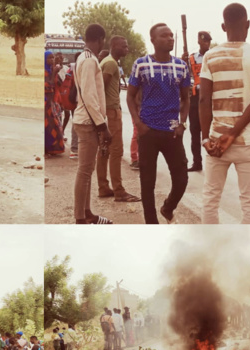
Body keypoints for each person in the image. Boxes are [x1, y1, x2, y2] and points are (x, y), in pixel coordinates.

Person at [199, 3, 250, 224]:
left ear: (223, 26)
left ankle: (210, 250)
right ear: (247, 24)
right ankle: (246, 256)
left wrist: (205, 138)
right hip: (247, 142)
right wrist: (234, 133)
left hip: (215, 143)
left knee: (211, 199)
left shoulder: (210, 57)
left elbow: (203, 100)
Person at [127, 23, 191, 224]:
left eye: (172, 35)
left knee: (181, 179)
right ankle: (151, 223)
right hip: (148, 132)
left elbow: (186, 97)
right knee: (147, 183)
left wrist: (183, 124)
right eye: (164, 36)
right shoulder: (142, 64)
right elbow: (130, 96)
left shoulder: (181, 65)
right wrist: (138, 124)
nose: (170, 38)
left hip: (172, 131)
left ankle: (168, 207)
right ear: (153, 40)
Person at [73, 24, 113, 225]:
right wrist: (102, 126)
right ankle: (81, 218)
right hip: (88, 122)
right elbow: (89, 96)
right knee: (84, 171)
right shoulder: (89, 60)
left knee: (86, 171)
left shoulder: (84, 57)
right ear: (100, 39)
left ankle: (86, 213)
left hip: (86, 120)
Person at [98, 36, 140, 203]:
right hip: (111, 112)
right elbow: (101, 87)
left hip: (107, 111)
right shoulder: (111, 63)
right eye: (124, 46)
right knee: (115, 152)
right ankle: (119, 190)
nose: (127, 49)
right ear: (114, 46)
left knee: (104, 151)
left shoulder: (108, 62)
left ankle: (103, 187)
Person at [187, 31, 212, 172]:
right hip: (195, 97)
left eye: (208, 41)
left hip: (209, 98)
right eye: (204, 41)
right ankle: (197, 162)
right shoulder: (191, 58)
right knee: (194, 131)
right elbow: (187, 75)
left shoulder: (213, 57)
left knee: (210, 131)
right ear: (199, 42)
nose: (206, 44)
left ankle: (213, 162)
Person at [45, 50, 66, 155]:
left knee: (54, 126)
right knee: (48, 127)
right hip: (46, 104)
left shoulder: (50, 70)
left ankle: (52, 149)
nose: (52, 60)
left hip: (53, 102)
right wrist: (54, 73)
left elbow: (59, 84)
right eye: (50, 58)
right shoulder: (45, 72)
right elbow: (48, 87)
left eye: (53, 58)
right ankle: (47, 149)